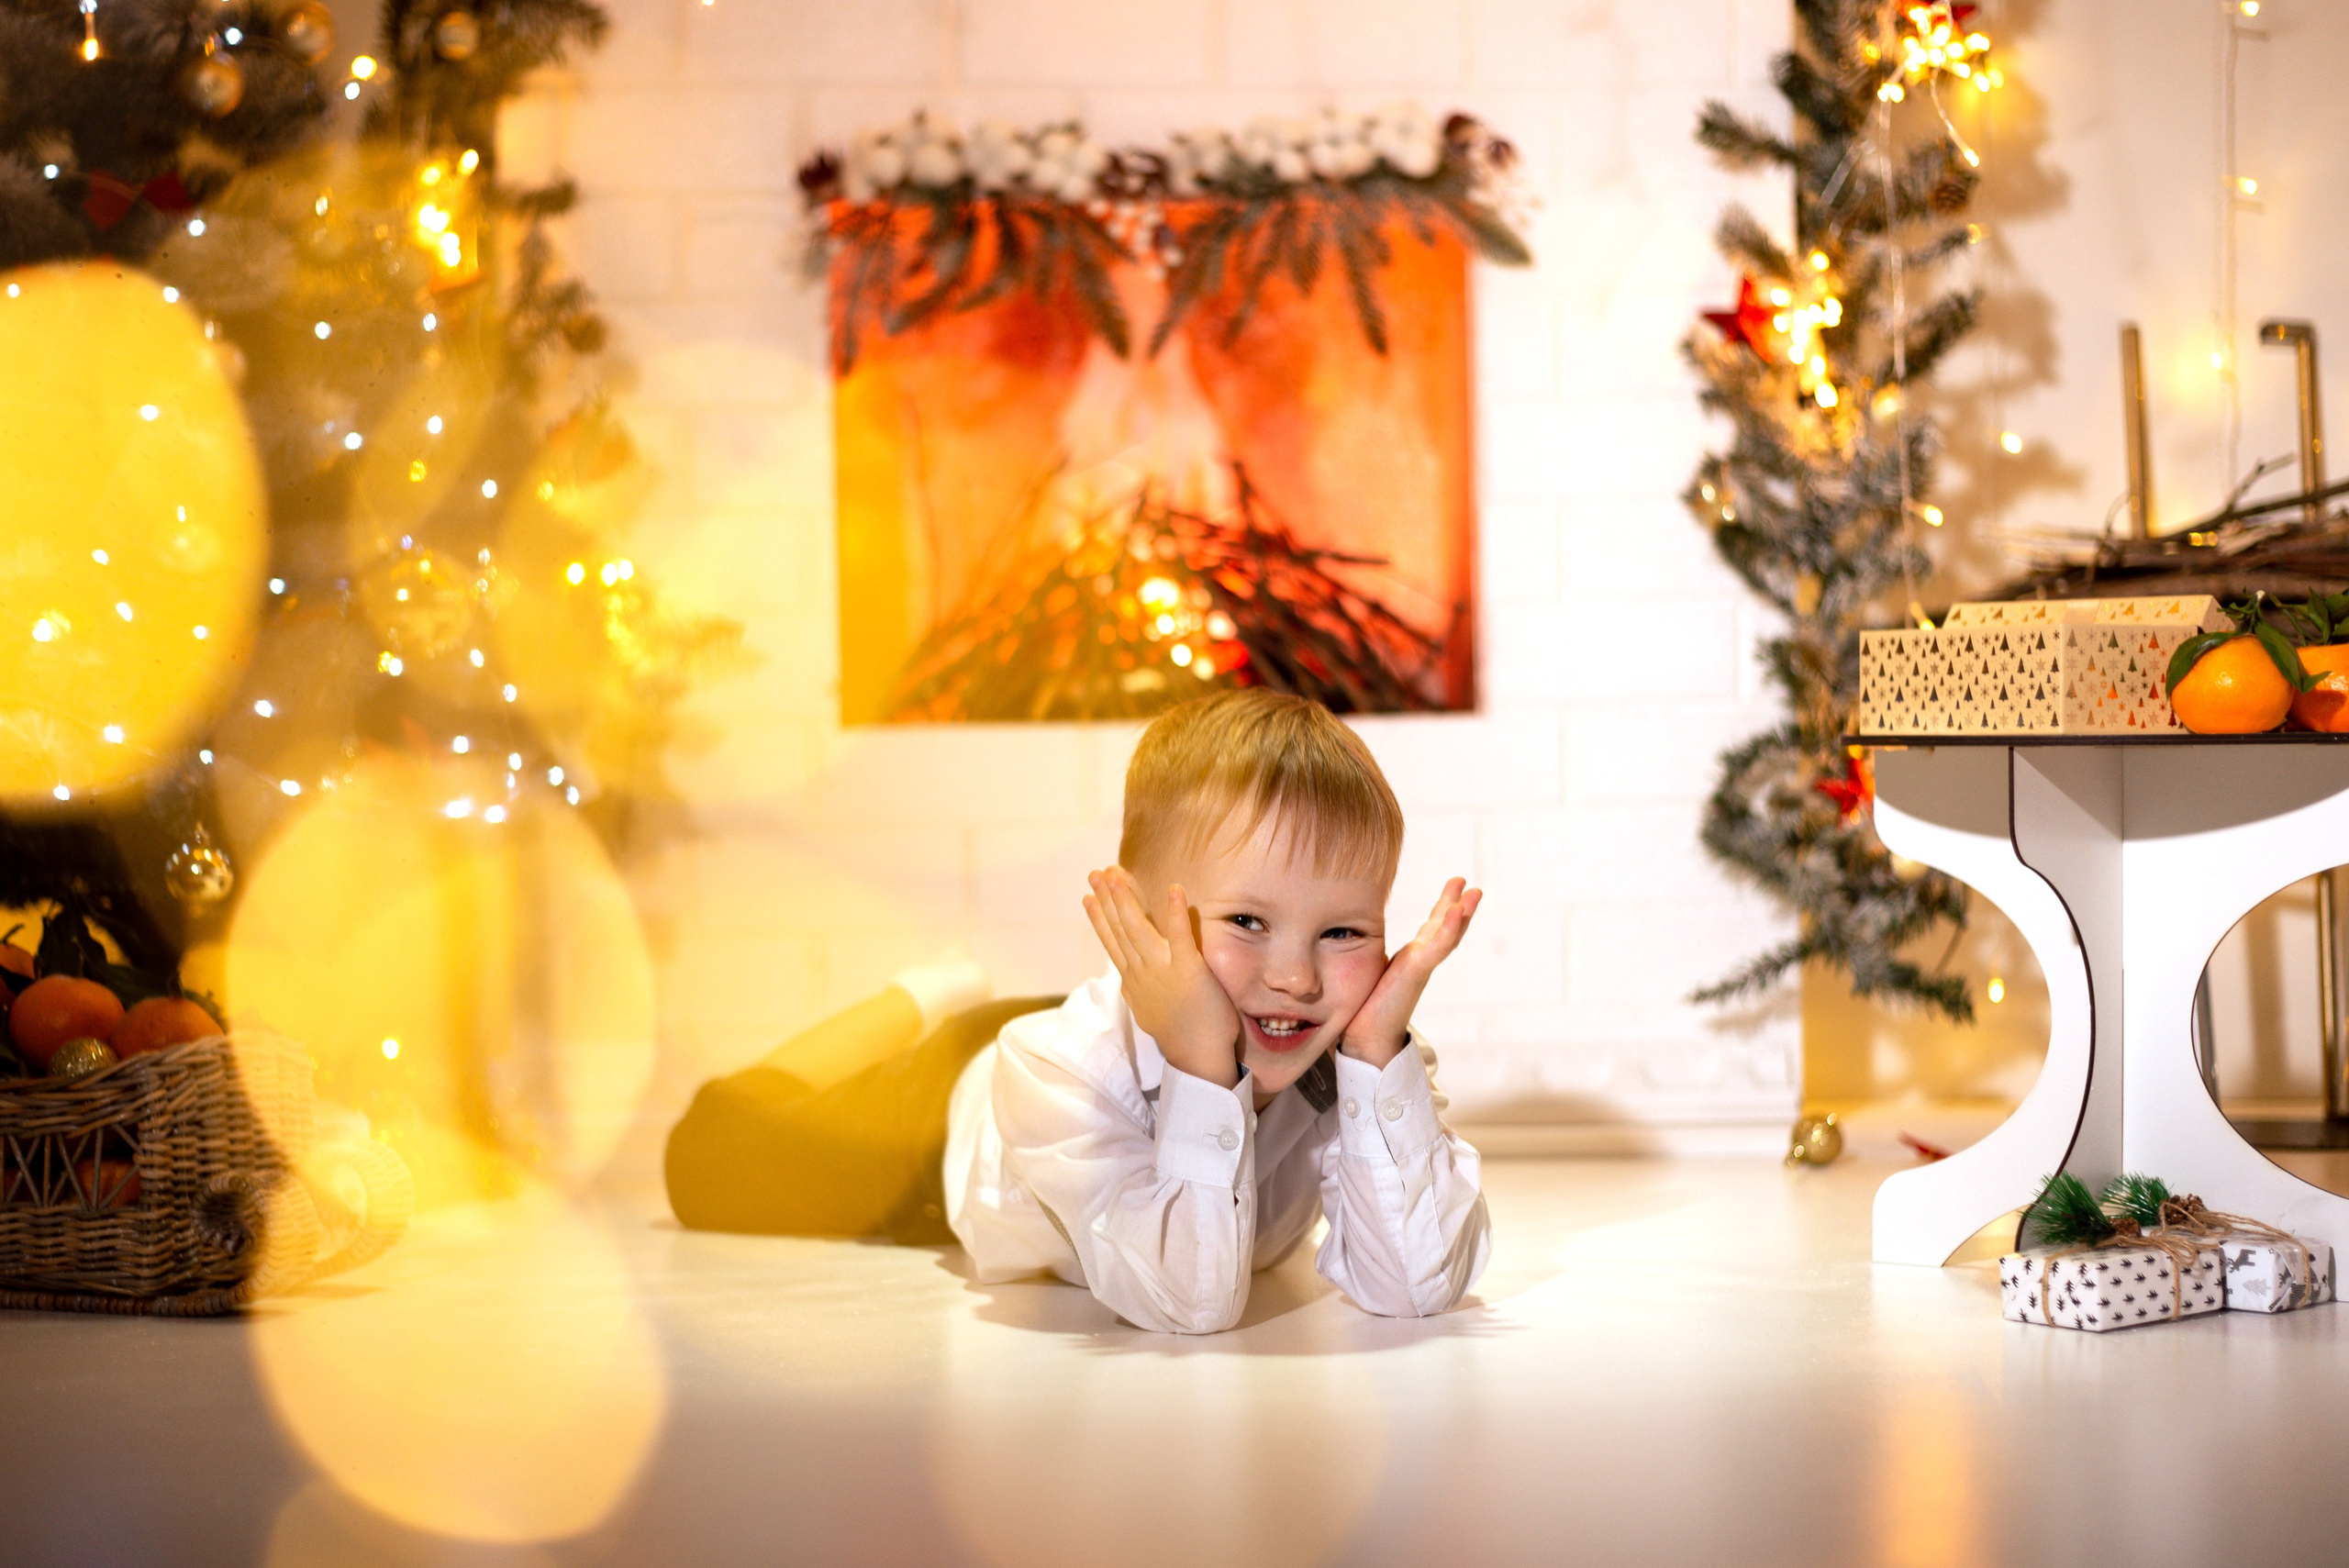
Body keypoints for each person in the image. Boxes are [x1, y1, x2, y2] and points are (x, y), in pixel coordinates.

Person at [665, 688, 1490, 1334]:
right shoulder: (1057, 1069)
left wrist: (1378, 1050)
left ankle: (947, 997)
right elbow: (1190, 1304)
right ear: (1134, 914)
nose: (1297, 978)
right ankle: (916, 998)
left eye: (1342, 931)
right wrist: (1207, 1067)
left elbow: (1416, 1283)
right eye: (1247, 921)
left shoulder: (1356, 1057)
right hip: (948, 1109)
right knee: (709, 1152)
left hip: (1102, 1019)